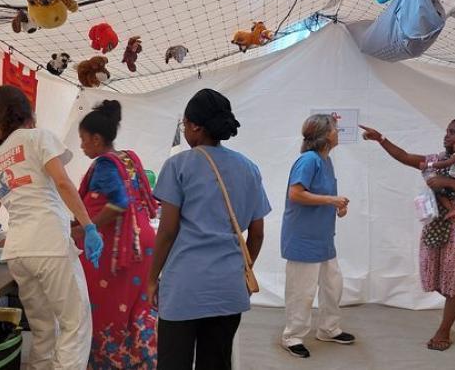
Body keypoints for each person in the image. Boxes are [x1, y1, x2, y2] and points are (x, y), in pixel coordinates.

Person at [148, 88, 271, 370]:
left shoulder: (178, 165)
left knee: (173, 363)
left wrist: (152, 277)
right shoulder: (249, 168)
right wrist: (245, 268)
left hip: (184, 287)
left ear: (194, 126)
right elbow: (258, 232)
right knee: (216, 362)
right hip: (229, 288)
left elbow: (167, 231)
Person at [0, 85, 103, 370]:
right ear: (28, 114)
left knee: (43, 329)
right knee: (75, 324)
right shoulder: (38, 138)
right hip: (49, 244)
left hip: (18, 253)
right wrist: (88, 226)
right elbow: (62, 183)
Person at [360, 118, 455, 351]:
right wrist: (380, 138)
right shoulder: (438, 161)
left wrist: (447, 182)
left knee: (454, 280)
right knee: (442, 281)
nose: (447, 136)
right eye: (446, 131)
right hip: (437, 225)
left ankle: (443, 331)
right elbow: (405, 157)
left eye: (453, 132)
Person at [73, 100, 158, 369]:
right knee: (135, 305)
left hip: (117, 249)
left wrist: (88, 228)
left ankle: (110, 362)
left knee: (108, 307)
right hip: (139, 242)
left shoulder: (105, 165)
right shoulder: (128, 158)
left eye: (83, 140)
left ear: (96, 139)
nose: (82, 146)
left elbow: (118, 203)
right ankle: (141, 358)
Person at [280, 114, 355, 359]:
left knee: (333, 286)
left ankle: (328, 328)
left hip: (323, 239)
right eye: (335, 128)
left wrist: (337, 207)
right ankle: (292, 336)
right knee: (302, 291)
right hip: (303, 239)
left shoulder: (326, 160)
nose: (338, 132)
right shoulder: (308, 160)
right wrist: (332, 200)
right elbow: (296, 194)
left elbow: (321, 196)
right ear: (324, 135)